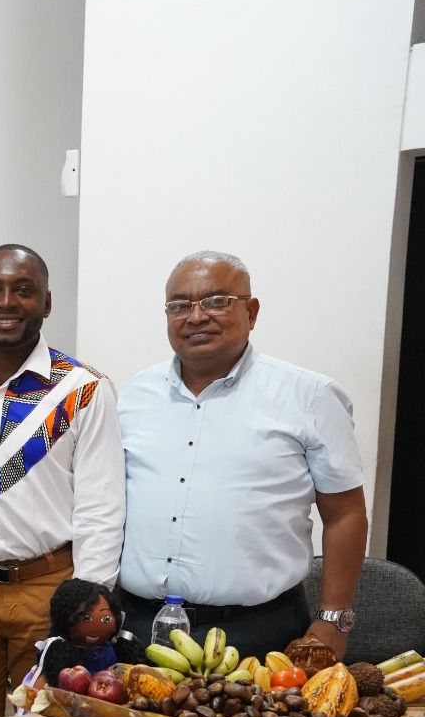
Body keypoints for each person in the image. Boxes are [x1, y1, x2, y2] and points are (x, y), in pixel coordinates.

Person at [118, 250, 368, 659]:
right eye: (179, 306)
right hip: (139, 627)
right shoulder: (133, 396)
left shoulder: (310, 396)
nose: (196, 316)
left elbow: (345, 513)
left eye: (217, 301)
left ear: (251, 312)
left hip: (259, 631)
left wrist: (334, 618)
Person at [0, 245, 125, 717]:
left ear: (47, 303)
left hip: (50, 586)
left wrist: (87, 602)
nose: (7, 302)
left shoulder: (83, 390)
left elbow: (102, 507)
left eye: (24, 290)